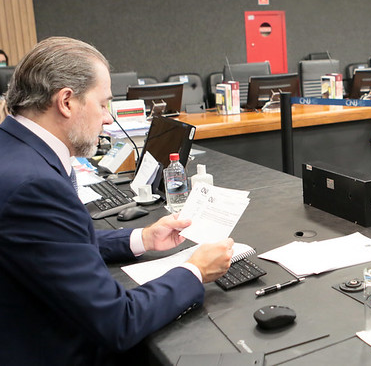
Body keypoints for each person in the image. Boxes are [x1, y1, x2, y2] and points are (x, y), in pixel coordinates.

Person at [0, 37, 234, 364]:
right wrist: (194, 271)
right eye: (103, 104)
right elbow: (118, 322)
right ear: (66, 101)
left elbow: (57, 243)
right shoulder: (34, 185)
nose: (108, 119)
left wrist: (141, 238)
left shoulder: (15, 151)